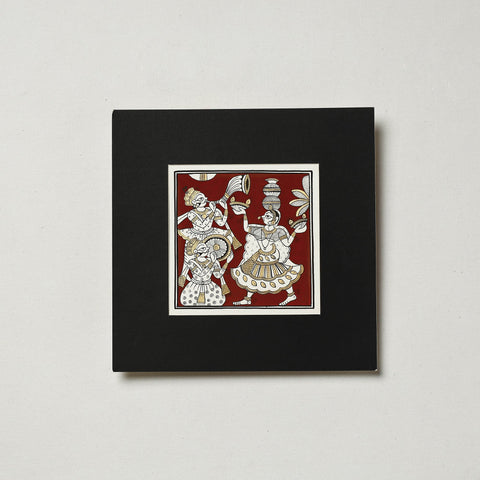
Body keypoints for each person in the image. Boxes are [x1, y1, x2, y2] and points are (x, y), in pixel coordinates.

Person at [231, 207, 304, 305]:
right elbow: (246, 228)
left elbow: (287, 243)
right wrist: (244, 214)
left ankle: (291, 295)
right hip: (259, 256)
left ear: (275, 220)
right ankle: (248, 299)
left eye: (268, 216)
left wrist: (295, 232)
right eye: (265, 215)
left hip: (272, 257)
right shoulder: (259, 230)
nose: (264, 217)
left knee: (280, 274)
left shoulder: (279, 231)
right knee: (253, 275)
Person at [177, 188, 241, 294]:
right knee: (189, 259)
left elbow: (221, 223)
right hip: (196, 237)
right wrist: (213, 211)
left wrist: (225, 209)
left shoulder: (210, 210)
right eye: (201, 198)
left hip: (211, 236)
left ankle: (221, 281)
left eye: (204, 197)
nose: (205, 199)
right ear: (194, 202)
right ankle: (183, 278)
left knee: (214, 259)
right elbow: (202, 225)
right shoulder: (192, 213)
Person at [180, 242, 225, 306]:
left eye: (206, 248)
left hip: (209, 287)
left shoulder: (212, 261)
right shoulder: (192, 262)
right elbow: (200, 273)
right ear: (198, 251)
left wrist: (222, 268)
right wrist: (212, 263)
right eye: (203, 249)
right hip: (194, 287)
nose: (207, 250)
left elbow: (217, 276)